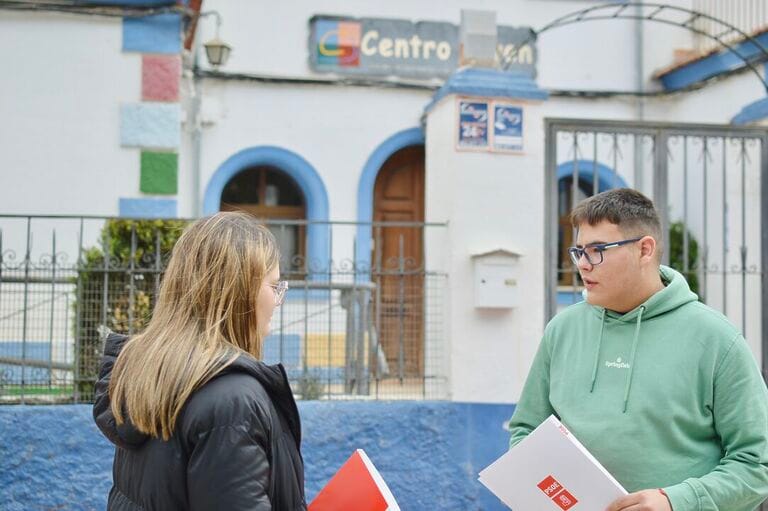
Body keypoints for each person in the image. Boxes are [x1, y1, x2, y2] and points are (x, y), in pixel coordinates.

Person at [508, 188, 768, 511]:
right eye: (579, 251)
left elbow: (757, 465)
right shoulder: (561, 331)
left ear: (645, 250)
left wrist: (675, 501)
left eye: (598, 250)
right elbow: (526, 432)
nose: (583, 265)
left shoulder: (717, 341)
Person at [92, 212, 306, 510]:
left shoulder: (149, 373)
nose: (278, 300)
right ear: (237, 294)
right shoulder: (234, 403)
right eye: (274, 287)